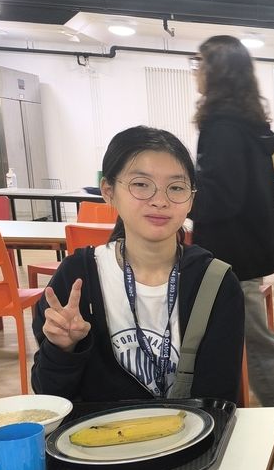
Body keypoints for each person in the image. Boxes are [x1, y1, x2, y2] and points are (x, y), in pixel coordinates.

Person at [31, 126, 243, 403]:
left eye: (176, 188)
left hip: (189, 428)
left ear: (191, 199)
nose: (160, 201)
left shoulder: (214, 283)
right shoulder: (77, 279)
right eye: (141, 184)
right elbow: (49, 396)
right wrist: (62, 349)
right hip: (97, 430)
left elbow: (218, 399)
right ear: (108, 191)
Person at [188, 34, 274, 408]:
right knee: (247, 341)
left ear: (217, 71)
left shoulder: (223, 126)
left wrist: (182, 197)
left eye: (199, 63)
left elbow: (223, 195)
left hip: (230, 254)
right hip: (242, 250)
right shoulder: (244, 124)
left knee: (258, 345)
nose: (195, 72)